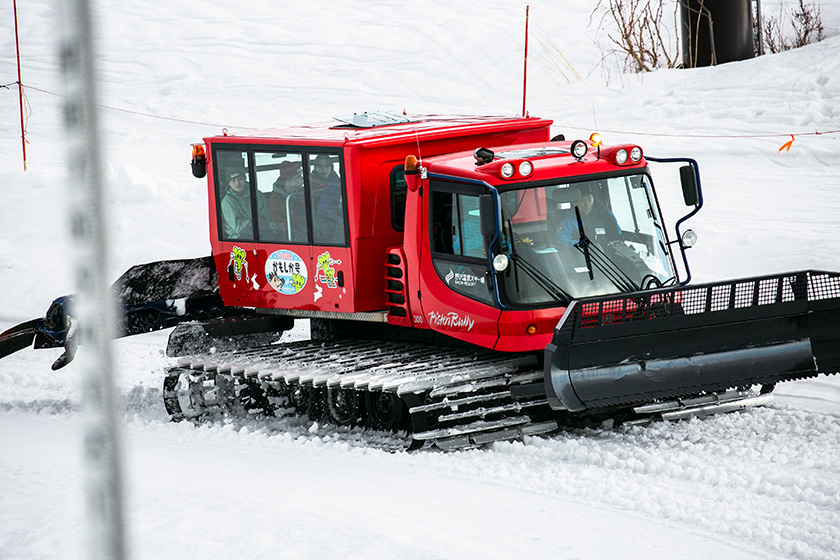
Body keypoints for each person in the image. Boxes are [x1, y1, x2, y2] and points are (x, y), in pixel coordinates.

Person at [555, 189, 621, 248]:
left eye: (589, 200)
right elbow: (562, 241)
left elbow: (617, 235)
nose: (587, 204)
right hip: (582, 257)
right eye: (583, 201)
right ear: (575, 203)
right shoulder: (569, 220)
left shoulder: (605, 215)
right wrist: (581, 244)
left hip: (607, 256)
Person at [266, 160, 305, 241]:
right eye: (298, 177)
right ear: (289, 181)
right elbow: (277, 226)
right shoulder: (274, 201)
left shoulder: (302, 193)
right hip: (289, 237)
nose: (302, 179)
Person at [220, 170, 254, 239]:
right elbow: (239, 227)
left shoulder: (256, 194)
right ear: (229, 184)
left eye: (240, 179)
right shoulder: (227, 202)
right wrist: (260, 225)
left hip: (260, 233)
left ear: (245, 179)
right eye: (233, 180)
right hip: (239, 239)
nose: (237, 183)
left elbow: (266, 214)